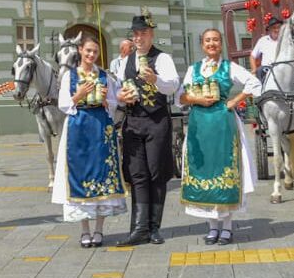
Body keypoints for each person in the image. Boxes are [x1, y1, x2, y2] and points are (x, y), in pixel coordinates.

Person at [179, 28, 261, 246]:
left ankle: (227, 227)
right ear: (202, 44)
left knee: (225, 168)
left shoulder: (229, 67)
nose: (212, 43)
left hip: (223, 123)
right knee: (203, 169)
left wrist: (235, 101)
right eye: (208, 40)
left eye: (215, 40)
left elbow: (254, 83)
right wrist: (197, 99)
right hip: (199, 125)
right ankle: (211, 227)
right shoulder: (193, 69)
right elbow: (181, 97)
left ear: (221, 43)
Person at [52, 35, 127, 248]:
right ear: (80, 51)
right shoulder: (70, 75)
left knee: (101, 173)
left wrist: (105, 100)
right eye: (88, 51)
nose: (91, 55)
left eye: (95, 52)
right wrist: (79, 94)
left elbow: (113, 102)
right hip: (78, 127)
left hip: (101, 128)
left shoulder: (104, 75)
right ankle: (84, 230)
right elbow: (63, 105)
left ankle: (99, 230)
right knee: (81, 173)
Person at [115, 14, 180, 246]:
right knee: (137, 175)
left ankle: (154, 228)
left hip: (156, 121)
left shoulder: (162, 58)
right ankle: (138, 228)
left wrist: (155, 80)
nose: (139, 37)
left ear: (151, 34)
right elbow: (118, 91)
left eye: (143, 33)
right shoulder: (125, 61)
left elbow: (173, 85)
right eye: (136, 34)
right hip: (133, 122)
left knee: (156, 173)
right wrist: (120, 97)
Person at [250, 16, 283, 80]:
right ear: (269, 29)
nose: (277, 30)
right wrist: (254, 70)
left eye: (279, 27)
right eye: (274, 28)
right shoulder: (263, 40)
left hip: (282, 69)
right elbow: (252, 56)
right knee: (259, 71)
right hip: (267, 70)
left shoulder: (285, 40)